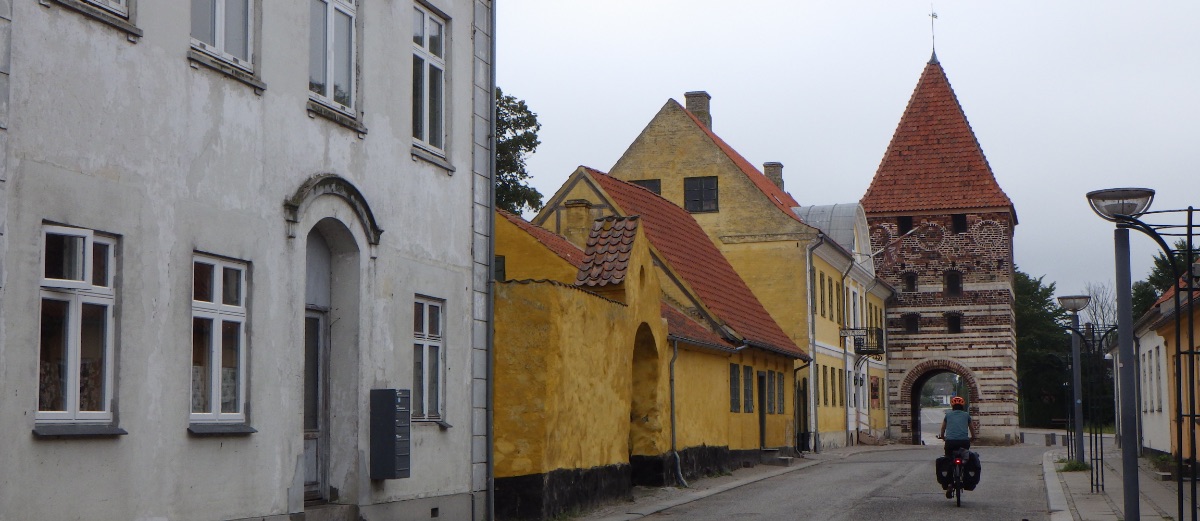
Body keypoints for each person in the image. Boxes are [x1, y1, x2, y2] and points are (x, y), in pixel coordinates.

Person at [939, 396, 976, 497]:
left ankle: (950, 483)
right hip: (964, 442)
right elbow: (972, 429)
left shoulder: (948, 415)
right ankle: (965, 474)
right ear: (962, 406)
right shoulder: (966, 415)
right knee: (966, 459)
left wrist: (943, 437)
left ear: (952, 406)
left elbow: (943, 428)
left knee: (948, 460)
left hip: (950, 442)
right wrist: (973, 437)